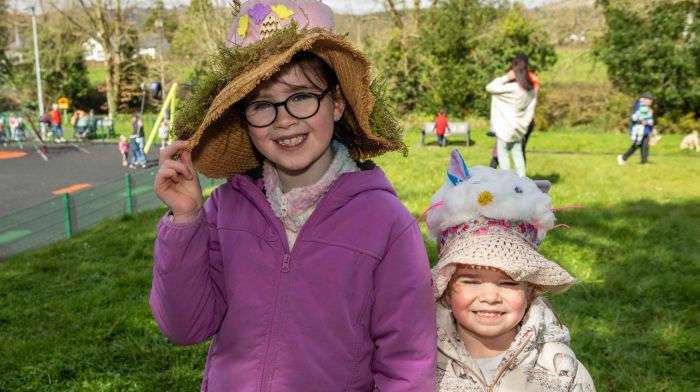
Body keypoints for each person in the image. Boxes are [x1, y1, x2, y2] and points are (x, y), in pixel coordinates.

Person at [150, 1, 436, 391]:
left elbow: (408, 359)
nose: (284, 119)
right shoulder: (224, 210)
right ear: (245, 120)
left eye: (301, 96)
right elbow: (185, 326)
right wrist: (185, 222)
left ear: (336, 103)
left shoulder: (386, 223)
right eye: (262, 104)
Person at [426, 149, 596, 391]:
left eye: (509, 283)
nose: (490, 297)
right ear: (446, 288)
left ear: (530, 290)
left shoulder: (561, 371)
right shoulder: (418, 362)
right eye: (472, 281)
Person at [486, 54, 537, 177]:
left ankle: (507, 181)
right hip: (519, 129)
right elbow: (531, 108)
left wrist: (506, 77)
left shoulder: (511, 88)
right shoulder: (530, 90)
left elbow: (490, 87)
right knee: (517, 153)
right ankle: (522, 180)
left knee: (503, 154)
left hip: (504, 129)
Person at [617, 92, 655, 165]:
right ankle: (622, 157)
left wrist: (652, 130)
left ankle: (644, 161)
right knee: (636, 145)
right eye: (649, 100)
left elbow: (649, 119)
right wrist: (641, 121)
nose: (651, 102)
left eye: (651, 101)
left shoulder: (648, 108)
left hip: (645, 130)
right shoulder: (638, 106)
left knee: (645, 145)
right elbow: (633, 117)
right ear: (644, 99)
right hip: (638, 129)